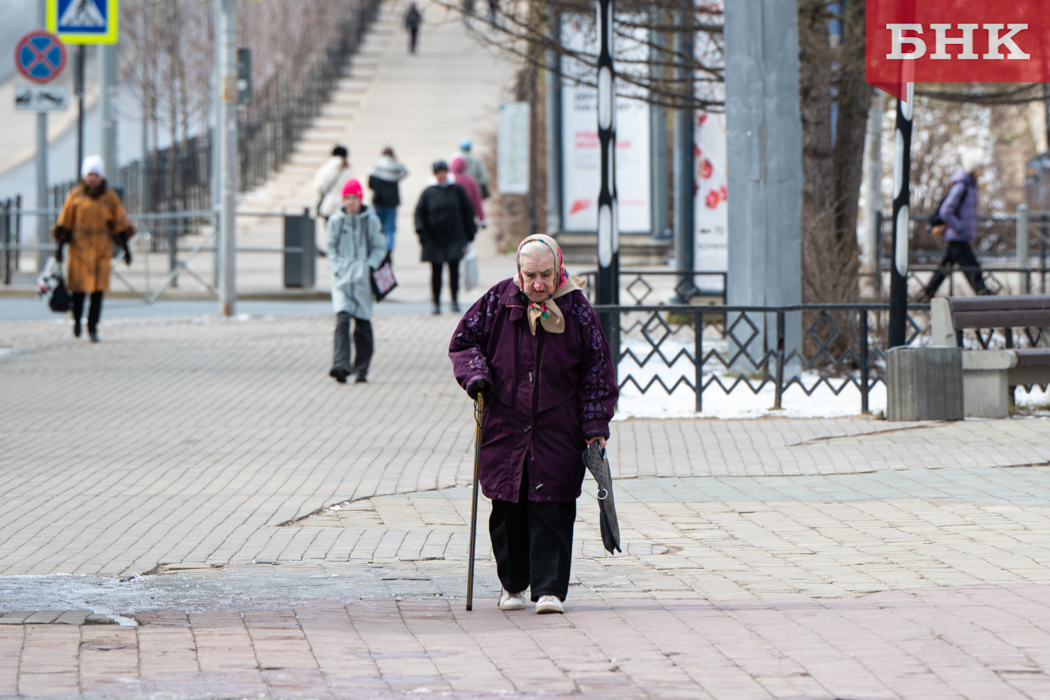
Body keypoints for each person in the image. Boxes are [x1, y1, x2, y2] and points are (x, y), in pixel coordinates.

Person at [448, 234, 618, 615]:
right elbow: (463, 343)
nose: (538, 284)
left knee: (553, 507)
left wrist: (595, 424)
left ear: (559, 269)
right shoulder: (496, 301)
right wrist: (477, 376)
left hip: (558, 426)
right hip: (505, 423)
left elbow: (597, 370)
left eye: (546, 274)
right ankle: (512, 585)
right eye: (530, 276)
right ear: (518, 273)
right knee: (508, 508)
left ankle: (550, 590)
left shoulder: (576, 308)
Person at [52, 155, 134, 342]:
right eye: (89, 174)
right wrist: (59, 248)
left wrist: (126, 248)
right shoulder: (75, 195)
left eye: (95, 175)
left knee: (98, 292)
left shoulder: (110, 197)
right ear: (84, 176)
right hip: (78, 251)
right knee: (78, 291)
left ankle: (93, 327)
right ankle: (77, 321)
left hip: (101, 252)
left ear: (101, 177)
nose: (92, 178)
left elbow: (119, 223)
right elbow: (65, 221)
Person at [327, 178, 387, 384]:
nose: (350, 202)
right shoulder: (335, 221)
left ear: (360, 198)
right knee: (342, 321)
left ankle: (361, 368)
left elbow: (380, 247)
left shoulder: (370, 220)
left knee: (363, 325)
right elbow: (331, 248)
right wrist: (337, 267)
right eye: (347, 198)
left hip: (362, 280)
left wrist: (369, 266)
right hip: (342, 280)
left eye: (353, 198)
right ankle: (341, 365)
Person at [921, 150, 992, 300]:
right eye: (980, 168)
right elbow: (945, 211)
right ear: (973, 169)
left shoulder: (971, 186)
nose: (983, 171)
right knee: (972, 266)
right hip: (958, 235)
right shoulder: (961, 186)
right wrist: (958, 226)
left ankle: (926, 295)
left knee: (944, 268)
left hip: (960, 236)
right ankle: (982, 292)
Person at [414, 160, 477, 314]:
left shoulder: (457, 190)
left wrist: (470, 232)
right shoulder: (428, 192)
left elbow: (467, 211)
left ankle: (455, 300)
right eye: (438, 173)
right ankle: (436, 302)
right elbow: (419, 213)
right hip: (434, 239)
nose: (441, 175)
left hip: (454, 237)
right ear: (435, 174)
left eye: (444, 172)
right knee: (436, 272)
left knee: (454, 270)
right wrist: (421, 232)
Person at [368, 147, 409, 253]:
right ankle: (389, 250)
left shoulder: (376, 166)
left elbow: (370, 184)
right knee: (390, 229)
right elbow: (405, 172)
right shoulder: (395, 167)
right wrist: (397, 161)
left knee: (378, 227)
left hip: (379, 201)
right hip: (392, 202)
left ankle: (379, 249)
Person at [314, 145, 354, 224]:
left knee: (330, 232)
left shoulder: (324, 168)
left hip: (328, 205)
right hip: (344, 206)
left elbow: (318, 187)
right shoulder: (348, 171)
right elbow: (353, 189)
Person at [450, 155, 486, 228]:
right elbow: (477, 201)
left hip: (452, 216)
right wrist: (482, 218)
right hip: (468, 215)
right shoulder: (471, 181)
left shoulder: (450, 180)